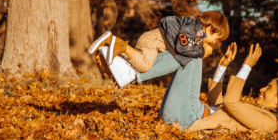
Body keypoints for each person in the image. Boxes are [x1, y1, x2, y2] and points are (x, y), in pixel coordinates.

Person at [188, 43, 278, 133]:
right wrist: (222, 66)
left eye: (269, 88)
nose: (261, 89)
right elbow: (216, 104)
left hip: (191, 116)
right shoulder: (260, 111)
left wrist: (247, 66)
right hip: (194, 110)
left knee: (189, 58)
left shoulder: (269, 123)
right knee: (188, 59)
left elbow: (230, 102)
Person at [88, 11, 229, 87]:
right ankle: (120, 45)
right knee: (144, 66)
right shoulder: (195, 28)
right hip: (153, 41)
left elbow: (188, 41)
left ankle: (111, 48)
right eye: (216, 38)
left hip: (153, 41)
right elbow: (183, 46)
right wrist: (202, 51)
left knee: (139, 64)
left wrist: (200, 45)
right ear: (210, 29)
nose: (215, 42)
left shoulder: (196, 29)